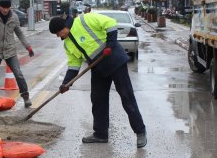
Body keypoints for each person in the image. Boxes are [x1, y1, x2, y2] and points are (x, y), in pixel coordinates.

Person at [48, 13, 147, 148]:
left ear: (63, 27)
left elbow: (110, 23)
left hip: (114, 60)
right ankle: (100, 134)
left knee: (126, 97)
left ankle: (140, 131)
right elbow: (73, 66)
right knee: (98, 99)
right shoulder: (68, 44)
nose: (58, 36)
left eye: (58, 33)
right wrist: (66, 83)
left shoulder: (84, 20)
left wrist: (110, 45)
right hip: (98, 67)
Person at [0, 0, 35, 108]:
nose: (5, 10)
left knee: (18, 74)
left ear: (10, 7)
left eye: (7, 8)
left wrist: (27, 46)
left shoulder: (14, 17)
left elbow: (19, 33)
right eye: (3, 7)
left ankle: (26, 97)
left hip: (10, 51)